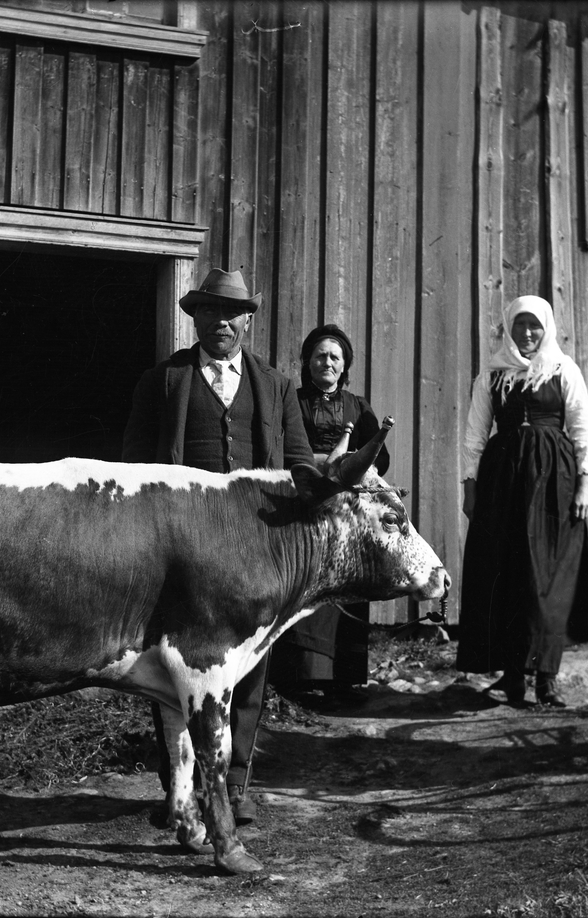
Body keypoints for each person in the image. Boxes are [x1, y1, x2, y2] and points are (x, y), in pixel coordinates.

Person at [122, 267, 314, 825]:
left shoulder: (275, 387)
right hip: (180, 551)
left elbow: (297, 463)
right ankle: (178, 790)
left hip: (254, 550)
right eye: (211, 312)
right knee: (174, 668)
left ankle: (234, 787)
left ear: (247, 322)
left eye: (232, 314)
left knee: (249, 668)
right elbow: (133, 470)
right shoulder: (163, 381)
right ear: (196, 317)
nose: (222, 322)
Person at [457, 295, 588, 707]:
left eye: (535, 325)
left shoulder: (563, 370)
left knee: (548, 578)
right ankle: (512, 675)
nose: (528, 333)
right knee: (507, 572)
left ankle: (547, 678)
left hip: (555, 481)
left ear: (547, 328)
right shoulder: (492, 377)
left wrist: (586, 483)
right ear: (508, 330)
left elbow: (583, 428)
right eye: (520, 326)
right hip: (504, 483)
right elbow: (474, 436)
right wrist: (470, 486)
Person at [268, 324, 389, 704]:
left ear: (344, 365)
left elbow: (379, 455)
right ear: (307, 362)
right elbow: (278, 444)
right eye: (320, 355)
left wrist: (349, 464)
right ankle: (300, 676)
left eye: (335, 357)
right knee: (305, 577)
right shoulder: (293, 400)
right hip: (305, 501)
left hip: (347, 507)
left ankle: (345, 677)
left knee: (349, 576)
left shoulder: (357, 406)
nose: (327, 362)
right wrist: (314, 464)